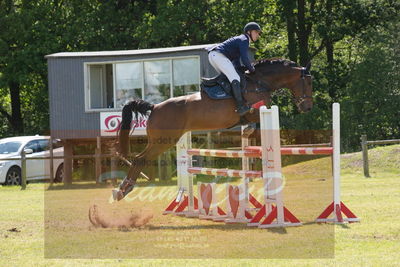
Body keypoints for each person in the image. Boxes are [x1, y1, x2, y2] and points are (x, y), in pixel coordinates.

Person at [208, 22, 262, 116]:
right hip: (219, 56)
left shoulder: (242, 40)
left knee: (230, 78)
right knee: (235, 78)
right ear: (249, 32)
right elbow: (245, 59)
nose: (258, 35)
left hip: (214, 56)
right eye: (256, 32)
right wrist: (252, 69)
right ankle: (240, 106)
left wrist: (241, 68)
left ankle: (225, 101)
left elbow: (236, 59)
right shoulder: (244, 39)